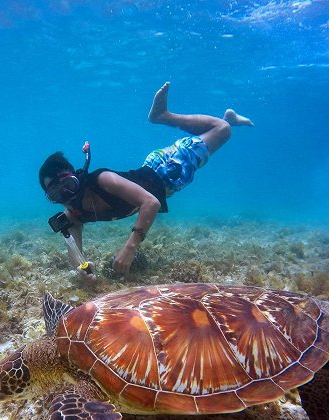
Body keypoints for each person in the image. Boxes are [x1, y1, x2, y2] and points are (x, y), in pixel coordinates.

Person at [39, 82, 253, 282]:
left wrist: (129, 248)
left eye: (69, 186)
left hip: (167, 170)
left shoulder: (102, 180)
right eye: (57, 195)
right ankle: (229, 118)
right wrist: (82, 270)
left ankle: (163, 116)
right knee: (215, 134)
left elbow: (151, 203)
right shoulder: (74, 215)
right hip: (155, 171)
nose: (67, 196)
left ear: (77, 177)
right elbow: (75, 254)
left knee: (222, 131)